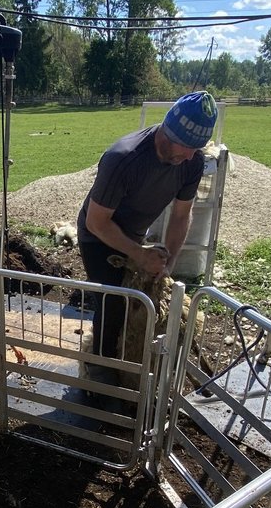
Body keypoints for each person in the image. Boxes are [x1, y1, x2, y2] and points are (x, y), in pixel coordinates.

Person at [75, 91, 218, 377]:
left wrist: (169, 263)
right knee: (113, 299)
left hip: (134, 232)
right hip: (98, 234)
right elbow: (97, 221)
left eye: (197, 148)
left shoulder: (191, 162)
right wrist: (139, 255)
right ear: (169, 131)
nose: (191, 155)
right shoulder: (123, 159)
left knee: (142, 300)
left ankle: (136, 361)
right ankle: (100, 370)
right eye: (187, 146)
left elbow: (181, 215)